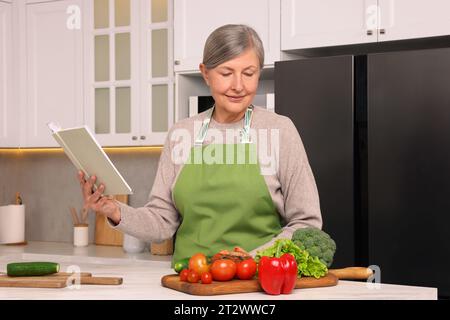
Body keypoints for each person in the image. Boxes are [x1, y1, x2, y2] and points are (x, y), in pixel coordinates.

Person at [77, 24, 322, 263]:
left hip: (257, 283)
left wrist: (252, 260)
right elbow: (161, 221)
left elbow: (307, 224)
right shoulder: (181, 134)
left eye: (249, 73)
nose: (238, 85)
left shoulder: (280, 130)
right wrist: (114, 210)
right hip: (191, 281)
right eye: (226, 73)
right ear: (205, 73)